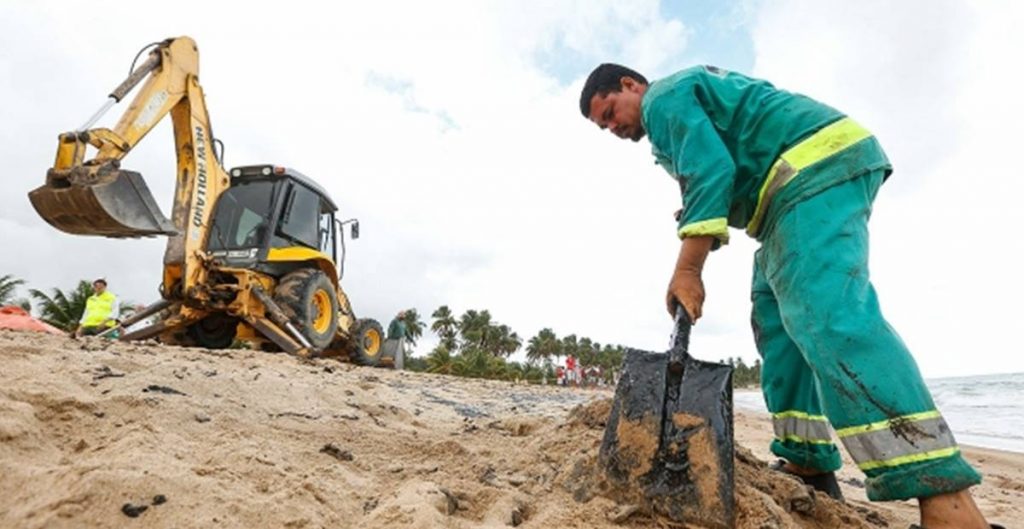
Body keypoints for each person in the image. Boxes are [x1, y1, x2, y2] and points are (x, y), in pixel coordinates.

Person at [579, 63, 998, 529]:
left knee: (827, 316)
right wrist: (703, 208)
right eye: (604, 126)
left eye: (611, 112)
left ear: (631, 86)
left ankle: (947, 502)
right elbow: (724, 175)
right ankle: (809, 462)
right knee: (777, 324)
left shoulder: (664, 99)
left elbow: (711, 170)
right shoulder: (666, 136)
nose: (613, 127)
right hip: (779, 208)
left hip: (814, 170)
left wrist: (689, 268)